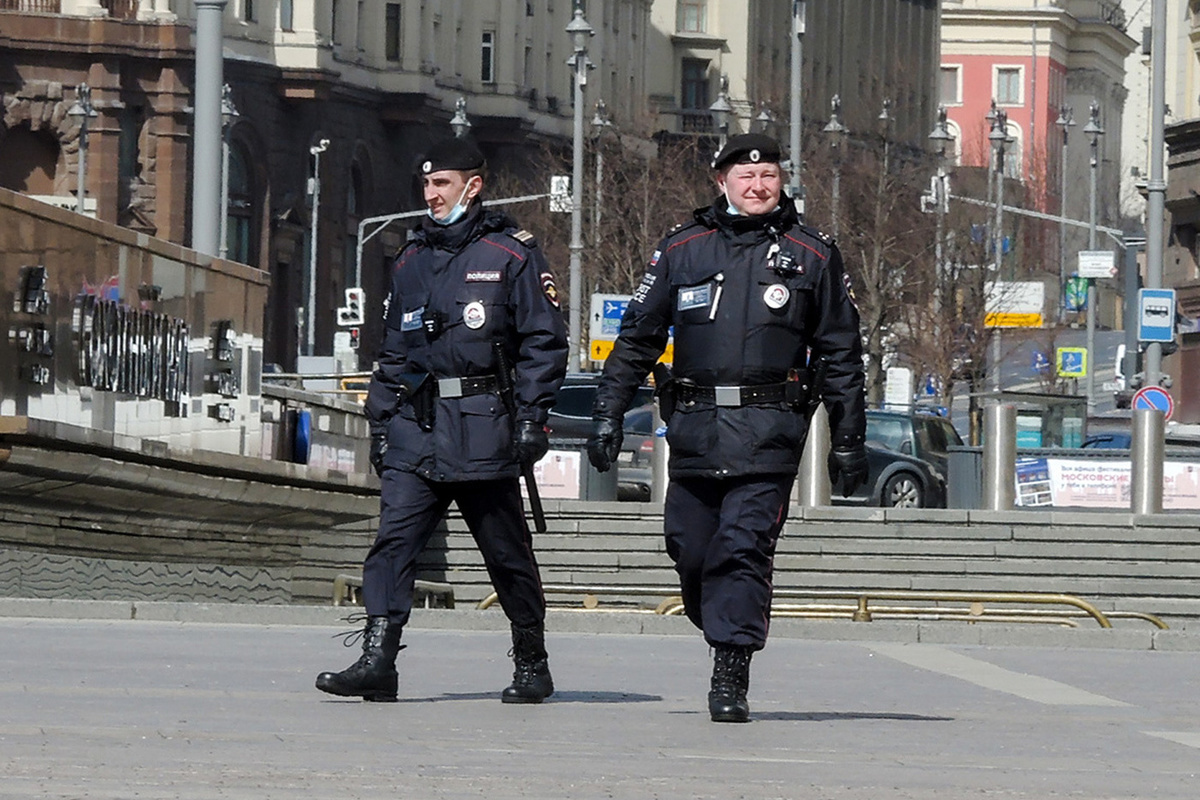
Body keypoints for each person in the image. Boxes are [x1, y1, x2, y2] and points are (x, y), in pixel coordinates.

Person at [586, 133, 868, 723]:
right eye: (746, 176)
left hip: (769, 433)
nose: (759, 185)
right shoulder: (682, 249)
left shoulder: (812, 253)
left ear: (782, 180)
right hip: (693, 430)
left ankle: (731, 669)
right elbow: (638, 337)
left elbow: (840, 352)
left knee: (743, 548)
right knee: (689, 551)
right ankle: (722, 622)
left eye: (769, 175)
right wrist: (608, 411)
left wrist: (848, 440)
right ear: (722, 182)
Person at [316, 137, 568, 704]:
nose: (430, 195)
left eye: (442, 184)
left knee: (505, 552)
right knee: (392, 544)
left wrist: (531, 419)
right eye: (426, 185)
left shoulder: (512, 255)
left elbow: (544, 344)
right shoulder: (410, 258)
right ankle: (378, 658)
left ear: (472, 187)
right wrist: (380, 422)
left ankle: (532, 657)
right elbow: (395, 351)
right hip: (417, 425)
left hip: (483, 424)